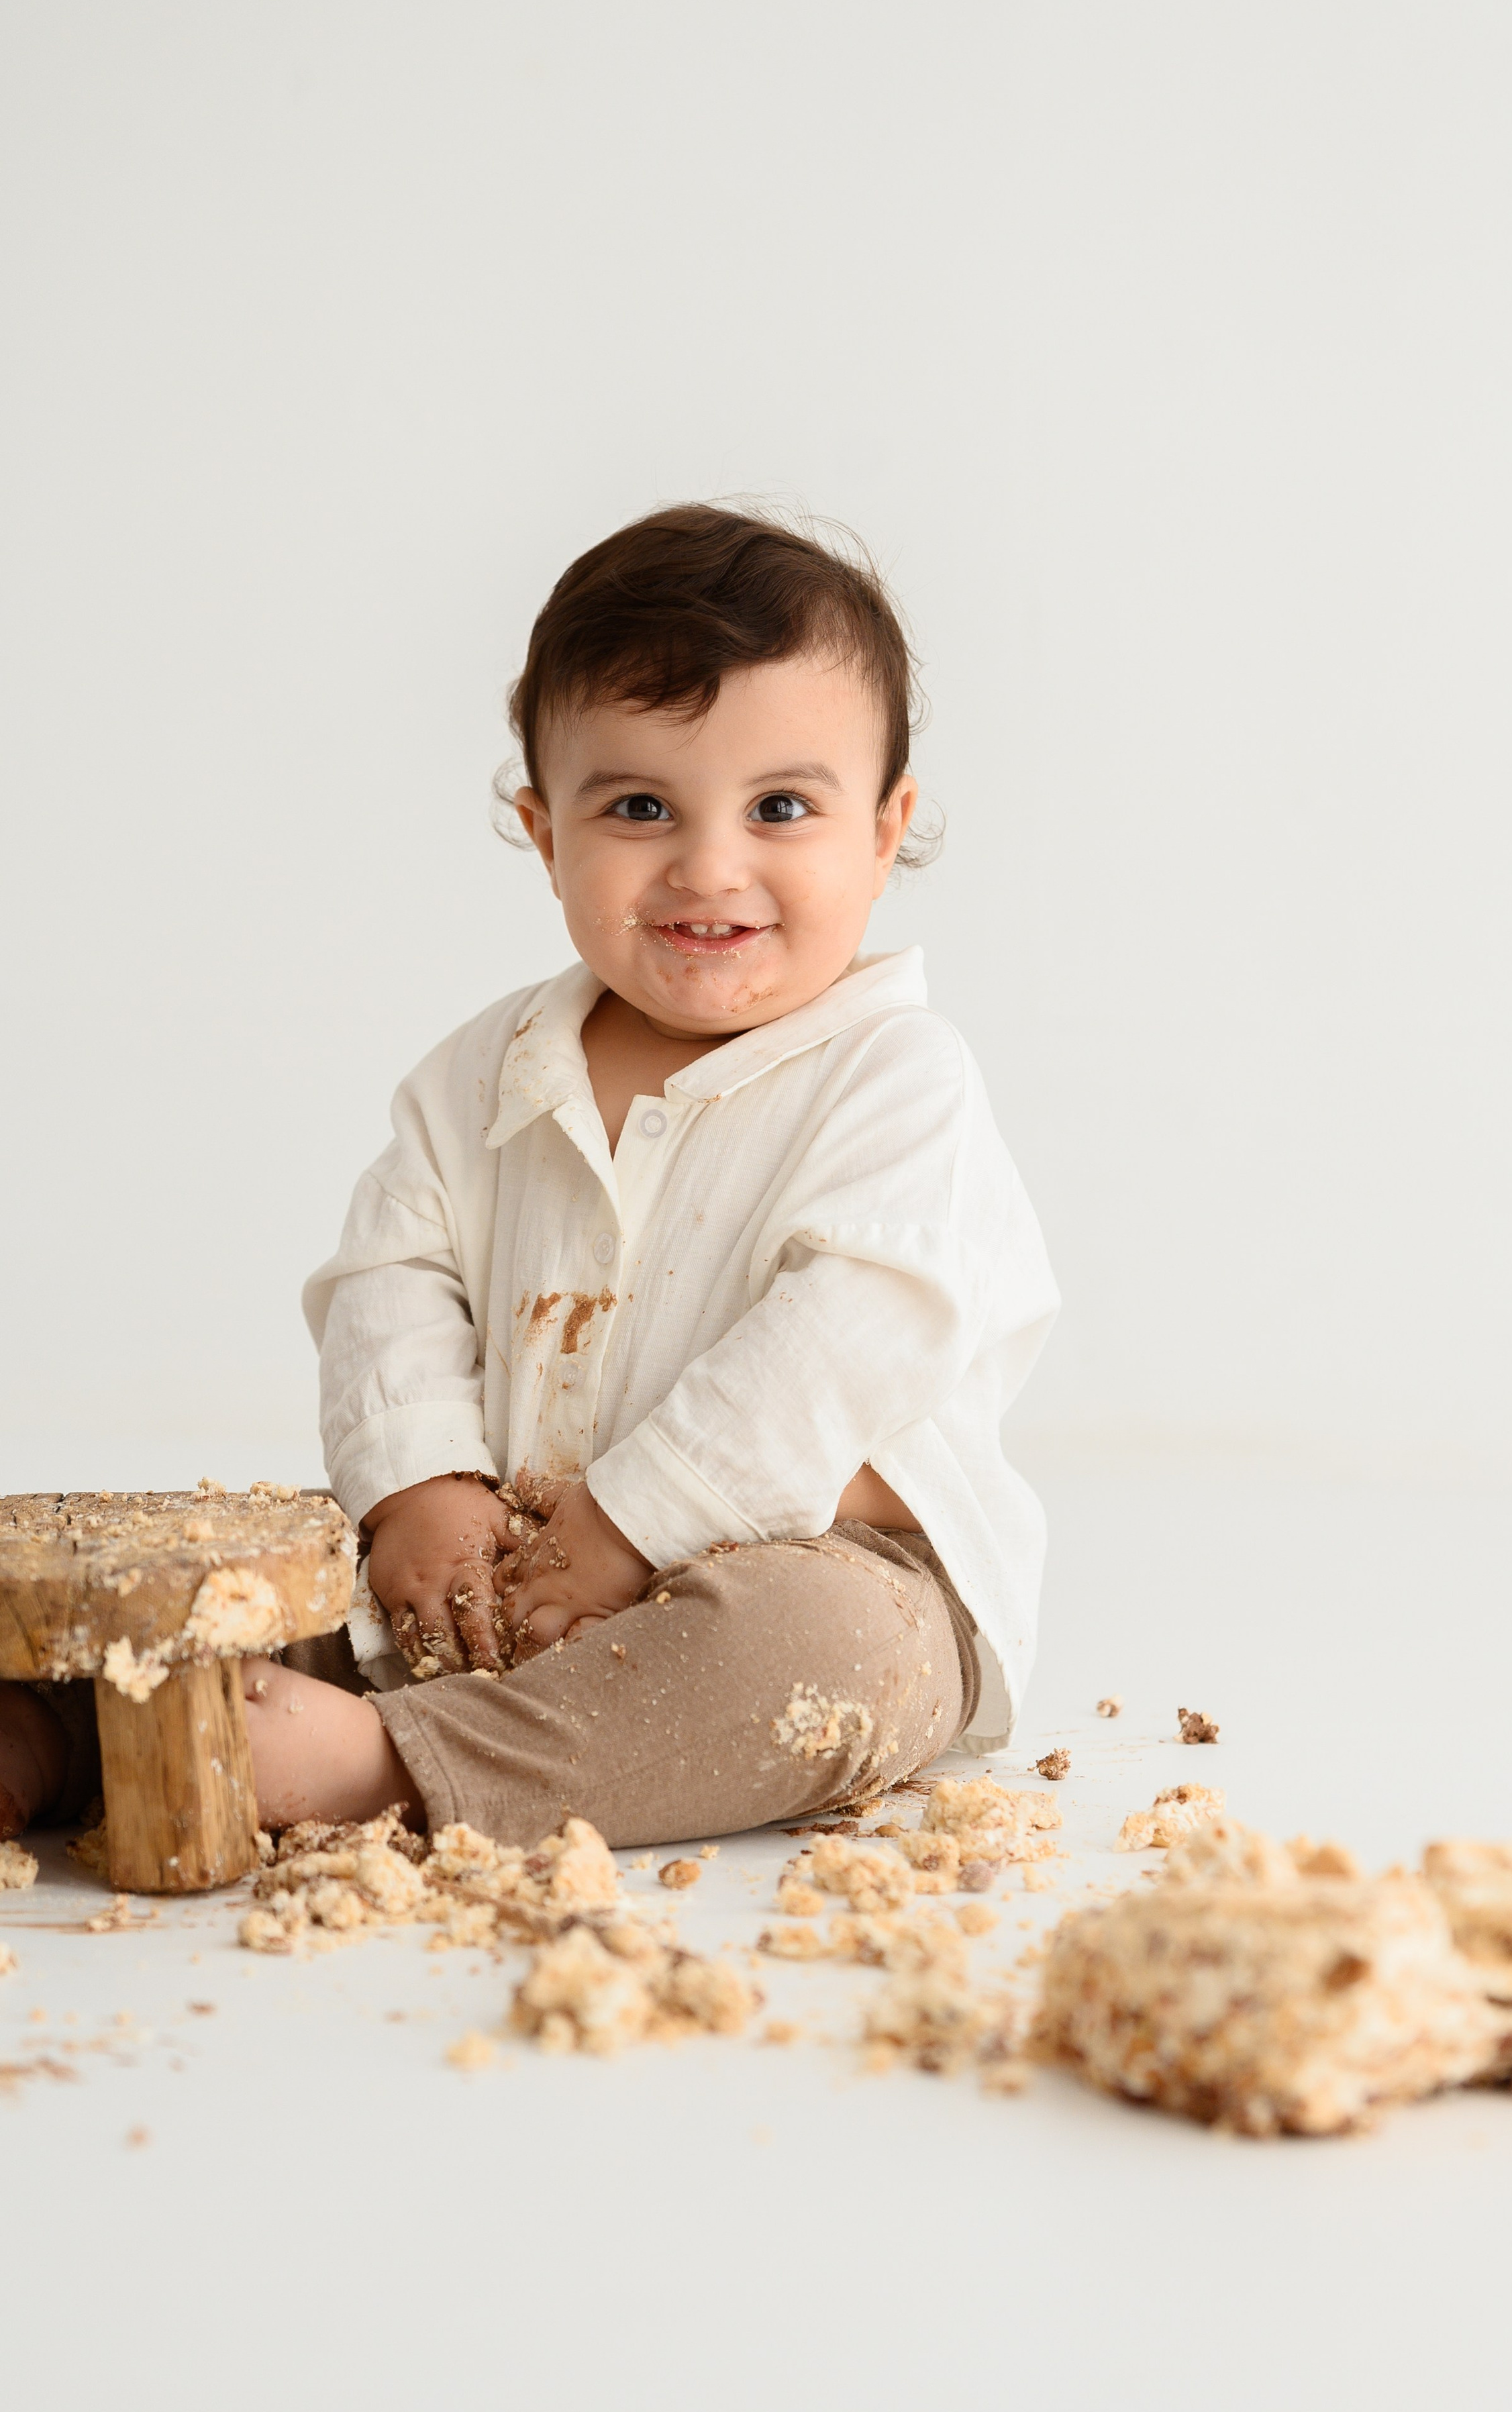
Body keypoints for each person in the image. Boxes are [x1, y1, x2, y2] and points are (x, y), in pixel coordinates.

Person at [0, 506, 1057, 1854]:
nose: (708, 865)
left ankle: (393, 1765)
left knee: (831, 1655)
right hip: (501, 1551)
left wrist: (634, 1522)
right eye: (636, 806)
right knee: (290, 1573)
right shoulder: (482, 1075)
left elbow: (845, 1338)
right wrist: (420, 1482)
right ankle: (64, 1724)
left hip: (807, 1552)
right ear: (544, 830)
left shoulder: (898, 1079)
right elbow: (391, 1278)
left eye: (780, 807)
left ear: (884, 828)